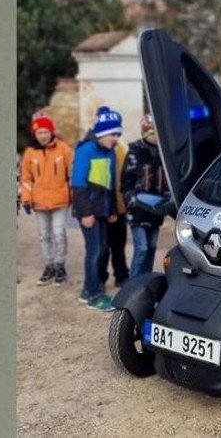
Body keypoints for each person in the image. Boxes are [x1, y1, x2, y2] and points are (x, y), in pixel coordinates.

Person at [71, 106, 122, 312]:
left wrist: (111, 210)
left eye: (118, 134)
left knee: (100, 249)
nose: (116, 139)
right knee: (95, 252)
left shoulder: (109, 152)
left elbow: (109, 184)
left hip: (103, 211)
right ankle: (94, 295)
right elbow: (78, 185)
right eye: (113, 134)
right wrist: (86, 213)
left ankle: (86, 291)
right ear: (102, 133)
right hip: (89, 212)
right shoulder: (85, 150)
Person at [19, 113, 73, 287]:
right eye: (39, 132)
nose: (42, 135)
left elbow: (72, 174)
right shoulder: (30, 153)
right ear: (35, 134)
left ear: (51, 132)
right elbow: (26, 178)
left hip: (60, 200)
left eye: (45, 131)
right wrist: (26, 199)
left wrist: (73, 195)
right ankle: (49, 266)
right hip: (39, 201)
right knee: (44, 235)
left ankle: (60, 265)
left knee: (58, 233)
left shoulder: (63, 149)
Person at [121, 113, 174, 278]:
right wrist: (132, 200)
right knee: (142, 248)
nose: (155, 137)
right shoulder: (135, 152)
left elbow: (167, 181)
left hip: (155, 208)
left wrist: (166, 200)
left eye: (157, 133)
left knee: (151, 247)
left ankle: (146, 280)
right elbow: (126, 181)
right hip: (137, 209)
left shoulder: (164, 154)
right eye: (152, 134)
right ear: (145, 134)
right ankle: (132, 284)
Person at [98, 142, 130, 289]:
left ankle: (121, 275)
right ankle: (100, 278)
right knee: (102, 247)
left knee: (118, 244)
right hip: (102, 208)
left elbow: (125, 175)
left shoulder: (120, 149)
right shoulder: (94, 149)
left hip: (119, 205)